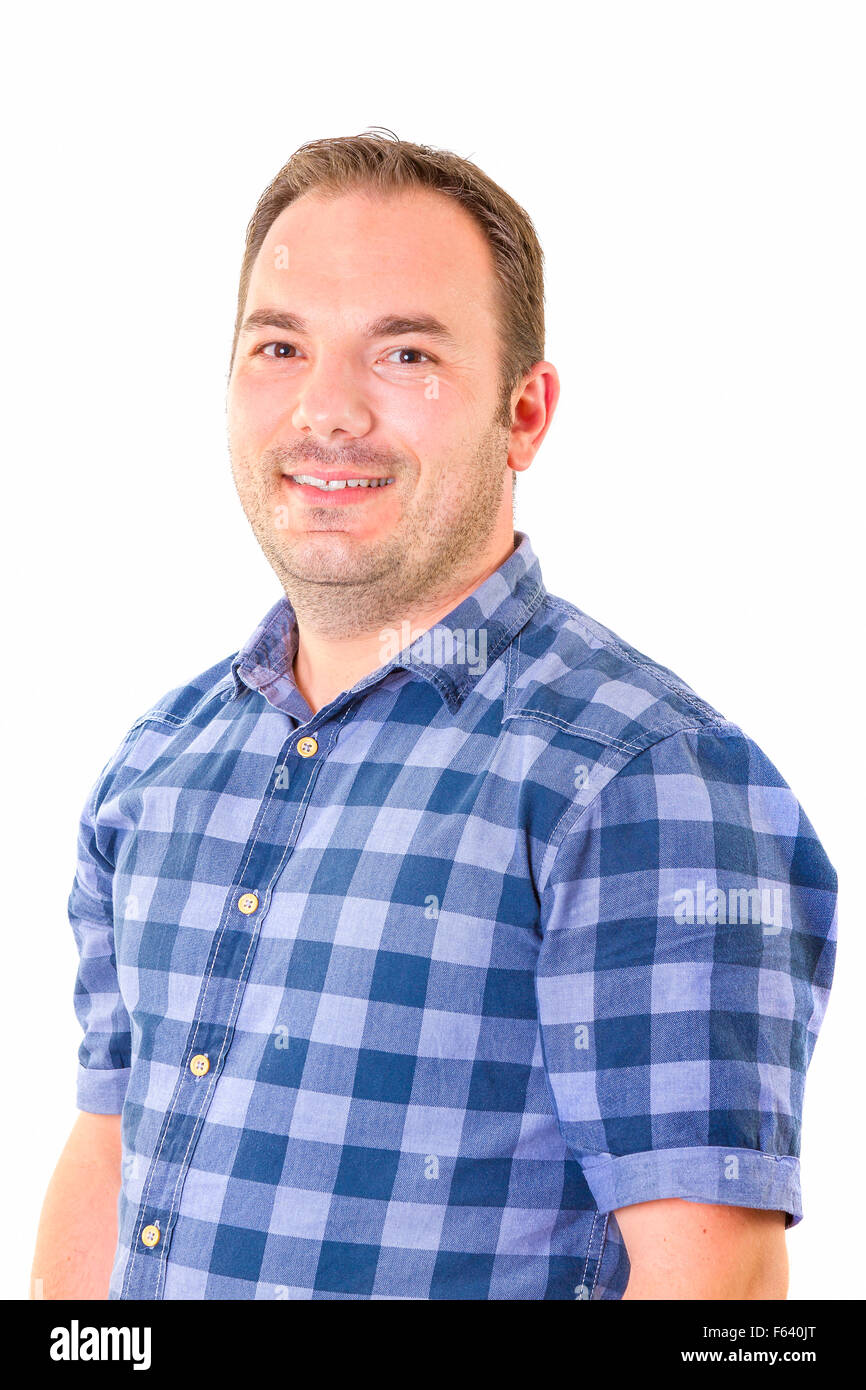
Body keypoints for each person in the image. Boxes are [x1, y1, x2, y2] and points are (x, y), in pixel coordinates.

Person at [32, 132, 837, 1301]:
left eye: (403, 352)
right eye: (279, 345)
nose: (326, 409)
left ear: (524, 413)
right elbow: (108, 1152)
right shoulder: (161, 763)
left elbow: (718, 1291)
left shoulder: (646, 780)